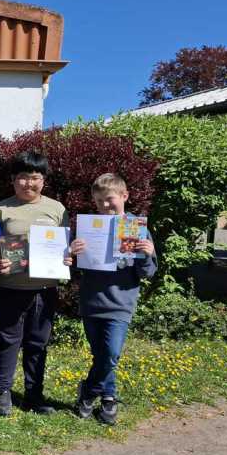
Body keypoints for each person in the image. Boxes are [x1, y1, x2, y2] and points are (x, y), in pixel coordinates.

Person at [68, 173, 157, 425]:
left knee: (111, 354)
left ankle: (88, 391)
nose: (105, 205)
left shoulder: (136, 228)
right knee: (101, 355)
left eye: (109, 199)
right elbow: (73, 268)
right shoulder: (89, 228)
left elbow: (147, 273)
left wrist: (147, 254)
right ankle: (108, 397)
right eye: (99, 201)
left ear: (124, 196)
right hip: (92, 302)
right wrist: (71, 254)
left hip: (120, 304)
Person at [0, 151, 70, 416]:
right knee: (7, 340)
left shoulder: (57, 209)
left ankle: (34, 395)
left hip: (44, 289)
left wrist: (68, 258)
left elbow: (65, 247)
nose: (29, 183)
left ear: (43, 180)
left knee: (38, 343)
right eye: (23, 178)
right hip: (10, 287)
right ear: (14, 179)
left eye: (35, 177)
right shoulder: (1, 209)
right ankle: (1, 392)